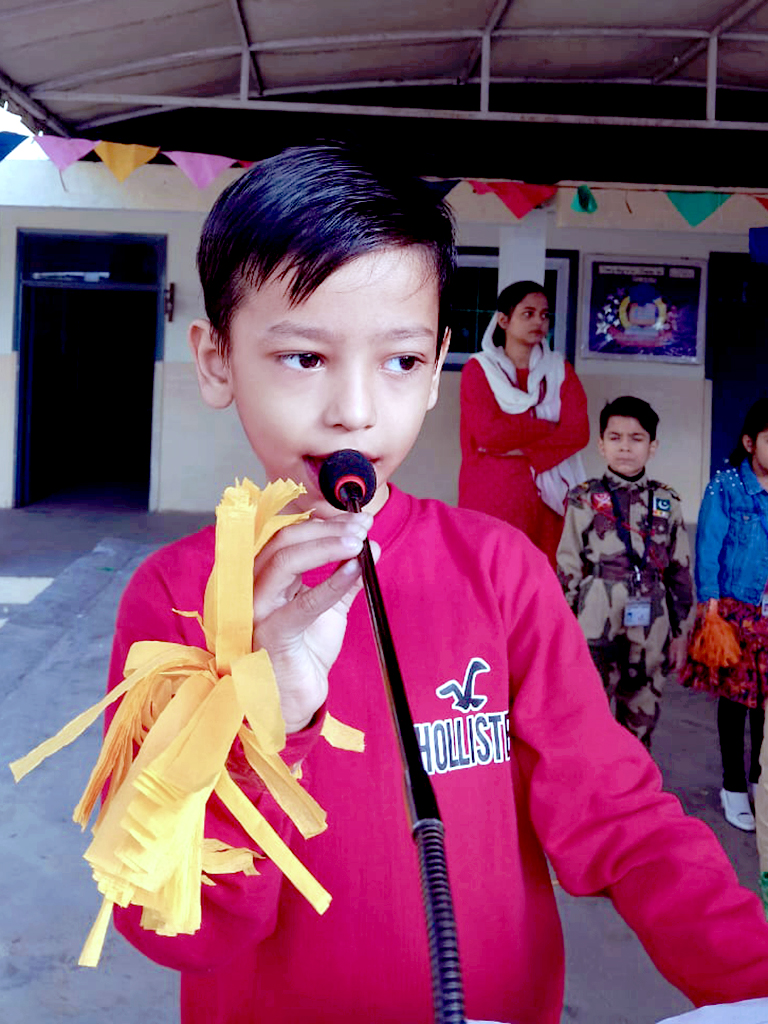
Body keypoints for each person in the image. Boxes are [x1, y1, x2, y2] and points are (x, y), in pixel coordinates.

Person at [108, 145, 768, 1024]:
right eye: (303, 357)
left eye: (401, 361)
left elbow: (620, 818)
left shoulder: (501, 571)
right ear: (217, 361)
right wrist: (264, 727)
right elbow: (170, 923)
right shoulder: (172, 597)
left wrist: (751, 975)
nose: (355, 411)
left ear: (437, 368)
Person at [557, 396, 694, 748]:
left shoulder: (667, 501)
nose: (625, 447)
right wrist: (564, 631)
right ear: (601, 444)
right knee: (589, 716)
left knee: (641, 717)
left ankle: (635, 781)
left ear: (652, 446)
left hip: (651, 620)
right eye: (615, 437)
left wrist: (681, 632)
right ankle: (594, 784)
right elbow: (568, 567)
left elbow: (679, 572)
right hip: (595, 615)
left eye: (636, 438)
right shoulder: (584, 498)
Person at [458, 280, 589, 566]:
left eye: (544, 315)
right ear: (503, 320)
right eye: (528, 314)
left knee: (546, 573)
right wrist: (547, 427)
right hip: (493, 491)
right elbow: (488, 435)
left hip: (548, 500)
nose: (539, 321)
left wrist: (520, 446)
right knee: (493, 571)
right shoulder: (479, 370)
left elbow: (579, 432)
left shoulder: (559, 370)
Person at [684, 398, 768, 833]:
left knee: (765, 705)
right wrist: (710, 603)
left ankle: (758, 779)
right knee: (735, 703)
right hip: (734, 612)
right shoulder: (726, 486)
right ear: (750, 443)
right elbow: (709, 546)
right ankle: (733, 786)